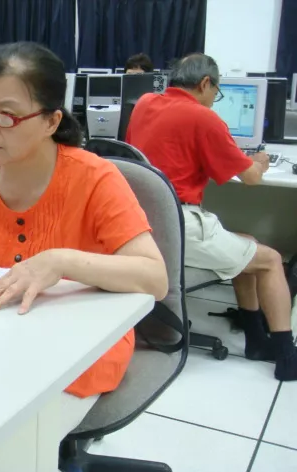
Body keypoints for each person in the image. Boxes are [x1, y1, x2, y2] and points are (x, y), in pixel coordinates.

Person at [0, 41, 168, 472]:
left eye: (7, 115)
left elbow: (154, 278)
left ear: (51, 121)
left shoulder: (95, 179)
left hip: (79, 349)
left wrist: (61, 261)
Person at [126, 53, 297, 381]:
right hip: (180, 225)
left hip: (143, 224)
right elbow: (251, 178)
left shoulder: (145, 103)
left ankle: (255, 340)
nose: (214, 100)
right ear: (205, 83)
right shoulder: (203, 118)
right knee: (271, 260)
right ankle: (287, 357)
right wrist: (260, 161)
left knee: (247, 244)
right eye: (216, 93)